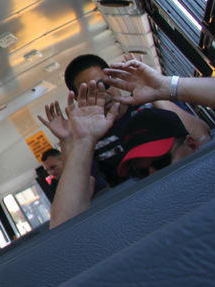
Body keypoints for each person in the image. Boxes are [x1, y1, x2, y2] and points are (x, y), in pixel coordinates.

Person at [39, 54, 210, 187]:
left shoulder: (155, 105)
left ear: (114, 79)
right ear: (79, 99)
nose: (102, 94)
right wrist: (68, 142)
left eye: (104, 85)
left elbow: (201, 138)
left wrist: (156, 93)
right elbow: (81, 193)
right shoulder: (89, 137)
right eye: (92, 93)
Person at [48, 81, 203, 228]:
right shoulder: (147, 217)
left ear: (191, 146)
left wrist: (159, 90)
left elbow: (203, 138)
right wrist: (79, 140)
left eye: (161, 162)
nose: (154, 176)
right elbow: (63, 230)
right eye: (141, 173)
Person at [40, 147, 107, 198]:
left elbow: (87, 194)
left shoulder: (82, 168)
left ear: (63, 159)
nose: (51, 173)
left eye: (53, 167)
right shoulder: (54, 185)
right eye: (48, 170)